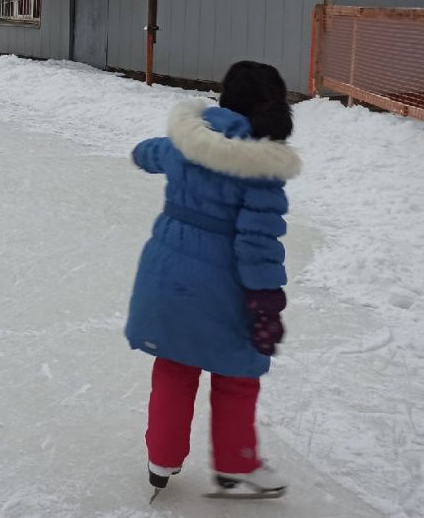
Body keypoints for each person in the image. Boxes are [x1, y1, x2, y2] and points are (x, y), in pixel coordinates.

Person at [127, 61, 301, 500]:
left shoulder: (189, 142)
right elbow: (257, 243)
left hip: (166, 272)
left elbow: (148, 152)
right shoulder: (260, 166)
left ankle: (161, 458)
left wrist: (145, 153)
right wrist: (265, 300)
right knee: (238, 373)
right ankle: (236, 462)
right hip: (222, 284)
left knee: (173, 365)